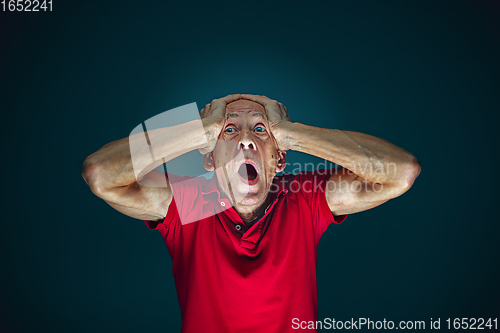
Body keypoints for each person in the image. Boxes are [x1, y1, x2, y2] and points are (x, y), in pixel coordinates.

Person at [81, 94, 421, 332]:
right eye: (229, 129)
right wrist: (198, 130)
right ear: (210, 158)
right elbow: (100, 173)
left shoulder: (305, 200)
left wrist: (291, 133)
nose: (245, 140)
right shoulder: (187, 201)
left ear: (280, 158)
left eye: (260, 129)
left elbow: (401, 171)